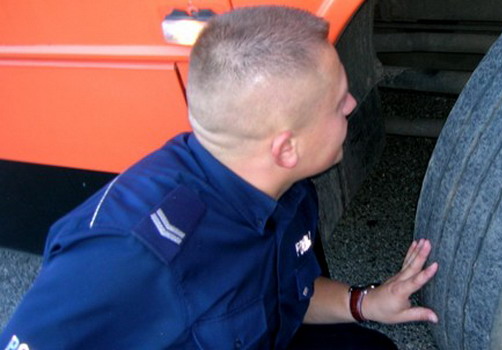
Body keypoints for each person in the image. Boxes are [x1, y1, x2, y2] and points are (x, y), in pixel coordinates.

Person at [0, 6, 439, 350]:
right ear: (286, 148)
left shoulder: (282, 186)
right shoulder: (129, 255)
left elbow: (288, 292)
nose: (350, 105)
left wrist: (365, 302)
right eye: (337, 101)